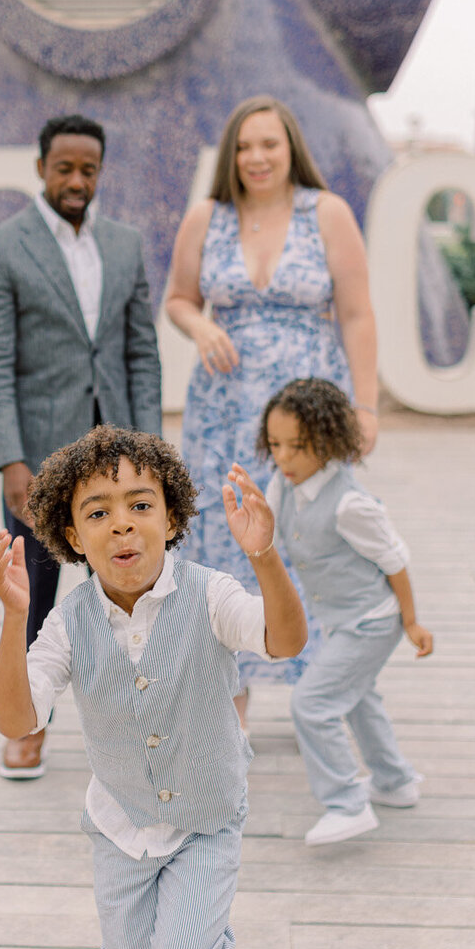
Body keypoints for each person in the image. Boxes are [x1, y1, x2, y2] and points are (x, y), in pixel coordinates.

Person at [0, 426, 306, 949]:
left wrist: (263, 556)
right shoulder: (66, 623)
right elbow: (18, 721)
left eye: (139, 504)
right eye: (98, 512)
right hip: (120, 825)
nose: (122, 523)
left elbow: (283, 641)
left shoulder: (212, 594)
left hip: (206, 815)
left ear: (172, 517)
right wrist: (10, 615)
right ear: (70, 536)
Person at [165, 95, 379, 711]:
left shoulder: (327, 213)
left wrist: (365, 408)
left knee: (311, 534)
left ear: (291, 150)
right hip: (224, 413)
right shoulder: (208, 217)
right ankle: (232, 699)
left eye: (269, 144)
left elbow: (358, 315)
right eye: (244, 146)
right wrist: (200, 327)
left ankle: (329, 694)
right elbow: (179, 297)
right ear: (230, 155)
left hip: (307, 417)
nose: (256, 157)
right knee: (223, 538)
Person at [0, 116, 163, 779]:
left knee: (133, 596)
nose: (76, 181)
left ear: (99, 172)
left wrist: (150, 455)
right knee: (36, 597)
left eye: (88, 169)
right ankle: (28, 726)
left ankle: (143, 730)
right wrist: (10, 460)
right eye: (64, 168)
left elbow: (141, 352)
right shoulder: (1, 249)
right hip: (42, 463)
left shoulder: (124, 244)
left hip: (119, 461)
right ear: (42, 168)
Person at [260, 378, 433, 846]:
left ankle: (346, 803)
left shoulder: (351, 504)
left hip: (372, 622)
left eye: (298, 446)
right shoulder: (283, 483)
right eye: (275, 444)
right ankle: (394, 782)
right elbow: (270, 531)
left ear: (329, 441)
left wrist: (412, 621)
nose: (283, 457)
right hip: (338, 621)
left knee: (312, 703)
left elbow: (394, 561)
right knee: (356, 697)